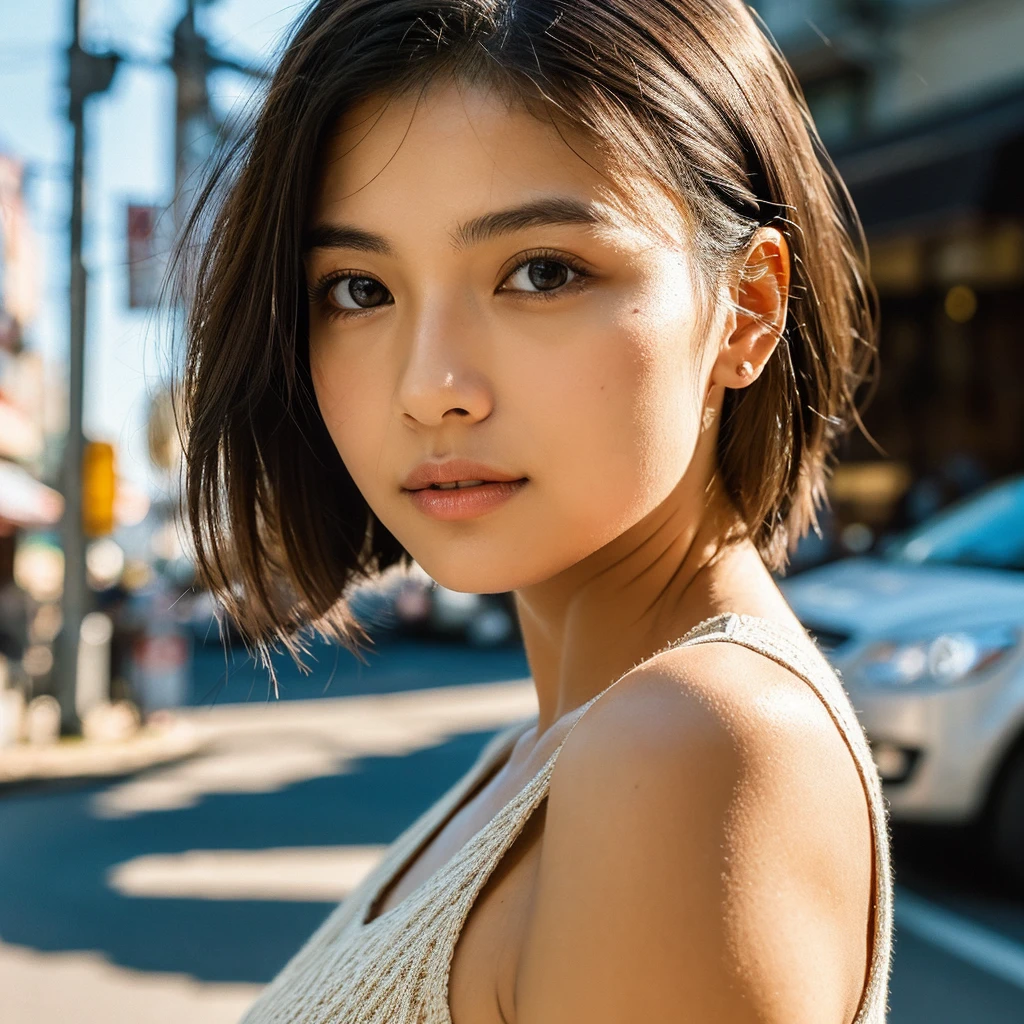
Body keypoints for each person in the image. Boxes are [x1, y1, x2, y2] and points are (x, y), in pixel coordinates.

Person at [177, 1, 892, 1020]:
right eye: (357, 288)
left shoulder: (686, 747)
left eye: (540, 272)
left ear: (747, 307)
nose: (431, 386)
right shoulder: (546, 754)